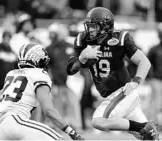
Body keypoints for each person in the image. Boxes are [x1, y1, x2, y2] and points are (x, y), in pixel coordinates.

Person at [66, 7, 159, 140]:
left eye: (94, 26)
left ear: (105, 26)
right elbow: (70, 70)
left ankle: (145, 126)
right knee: (149, 137)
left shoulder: (120, 39)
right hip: (113, 96)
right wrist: (82, 57)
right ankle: (145, 128)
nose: (90, 29)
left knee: (98, 121)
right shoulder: (83, 40)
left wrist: (135, 81)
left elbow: (144, 62)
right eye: (89, 26)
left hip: (123, 92)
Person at [0, 43, 84, 140]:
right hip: (16, 121)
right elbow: (49, 111)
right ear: (37, 60)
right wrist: (72, 132)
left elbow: (0, 94)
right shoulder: (39, 74)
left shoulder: (11, 74)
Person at [147, 23, 162, 131]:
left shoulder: (155, 49)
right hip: (157, 79)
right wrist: (150, 77)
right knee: (156, 103)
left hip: (157, 79)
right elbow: (148, 64)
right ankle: (152, 126)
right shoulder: (154, 49)